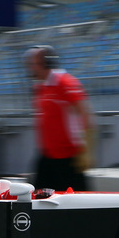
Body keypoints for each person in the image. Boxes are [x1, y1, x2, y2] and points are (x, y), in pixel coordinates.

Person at [25, 45, 94, 192]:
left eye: (33, 64)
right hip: (47, 157)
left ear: (45, 64)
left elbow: (85, 114)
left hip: (68, 158)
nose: (30, 67)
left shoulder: (65, 83)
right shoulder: (40, 88)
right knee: (36, 200)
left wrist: (87, 151)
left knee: (78, 201)